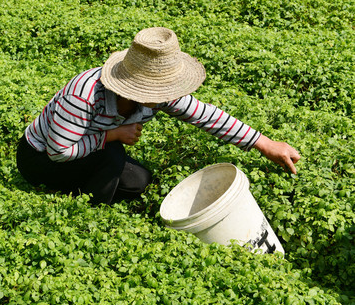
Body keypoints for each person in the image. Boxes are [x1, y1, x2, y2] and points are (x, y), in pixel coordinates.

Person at [16, 27, 301, 205]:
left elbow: (206, 115)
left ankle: (82, 188)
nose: (165, 96)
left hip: (87, 151)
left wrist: (264, 143)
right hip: (40, 158)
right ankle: (85, 212)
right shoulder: (84, 95)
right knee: (113, 157)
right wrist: (111, 135)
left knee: (139, 181)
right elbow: (58, 152)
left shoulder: (158, 95)